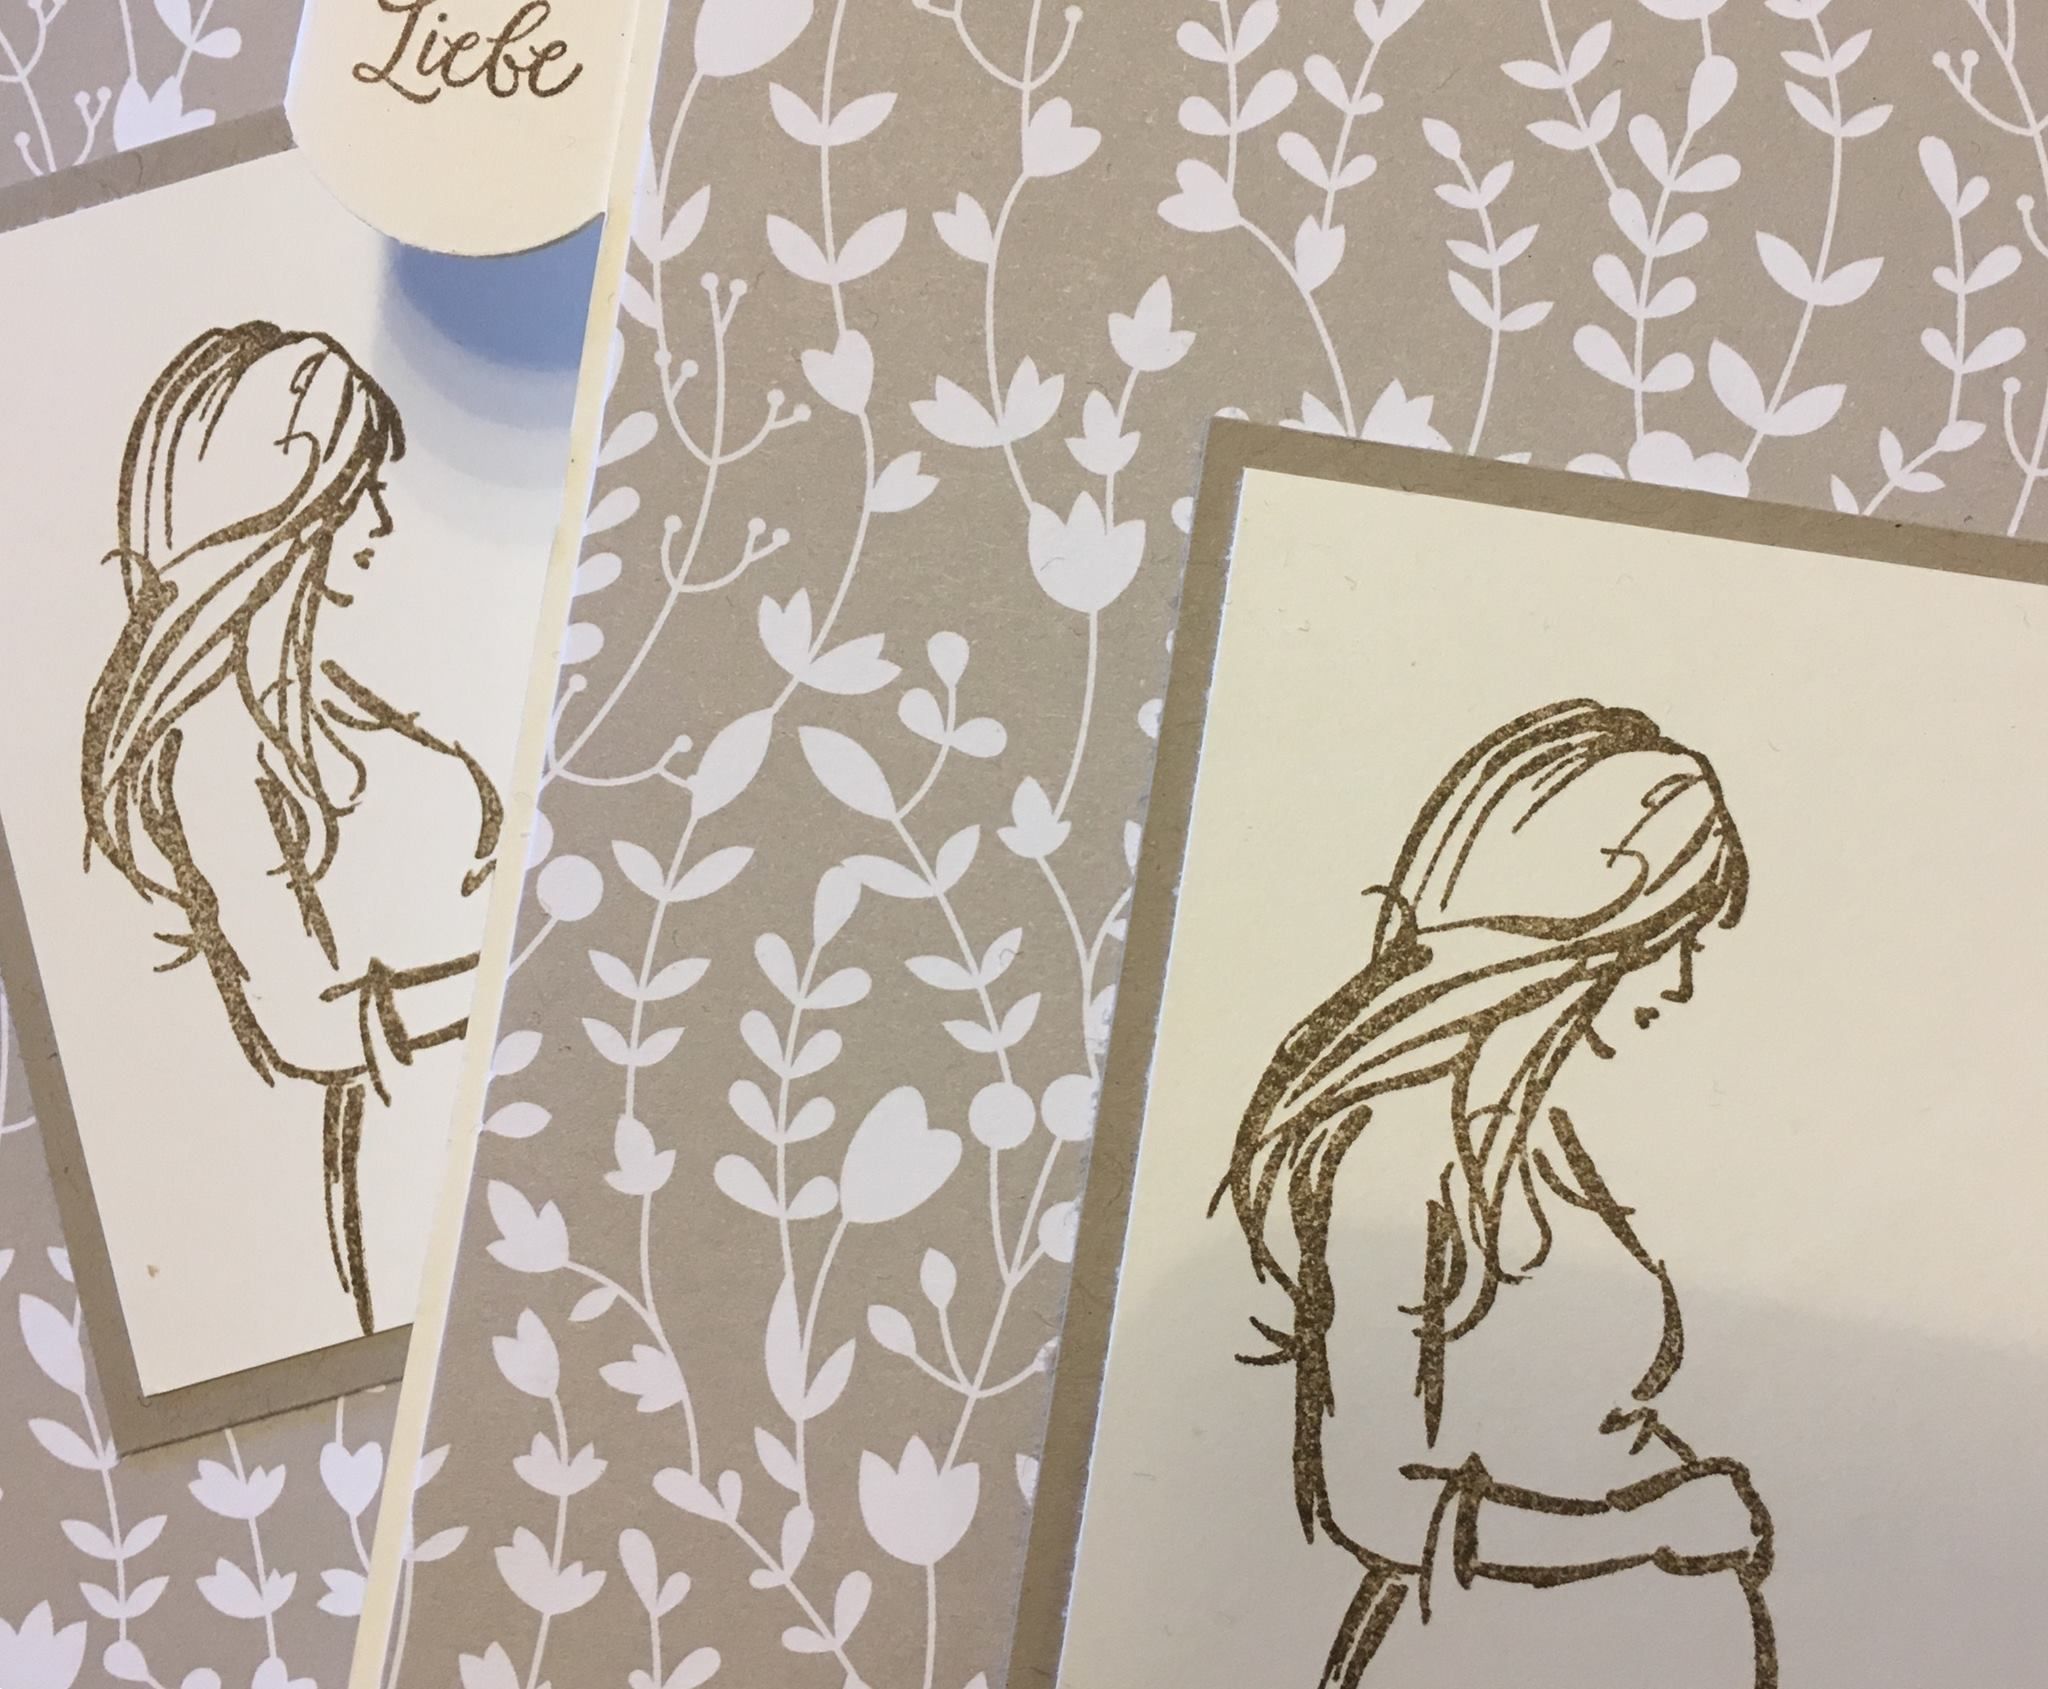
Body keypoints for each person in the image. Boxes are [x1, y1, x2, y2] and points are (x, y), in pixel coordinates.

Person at [1214, 699, 1775, 1687]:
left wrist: (1687, 1507)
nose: (1683, 980)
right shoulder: (1396, 1151)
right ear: (1578, 933)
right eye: (1666, 941)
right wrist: (1643, 1530)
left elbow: (1586, 1420)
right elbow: (1372, 1497)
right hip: (1479, 1647)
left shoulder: (1536, 1139)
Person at [80, 321, 502, 1336]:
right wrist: (507, 980)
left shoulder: (330, 698)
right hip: (421, 1153)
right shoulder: (212, 748)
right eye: (357, 492)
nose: (382, 521)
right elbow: (302, 1020)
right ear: (283, 505)